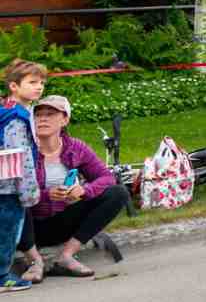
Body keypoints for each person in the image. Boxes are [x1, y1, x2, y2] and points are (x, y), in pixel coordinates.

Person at [15, 93, 130, 281]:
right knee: (13, 199)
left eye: (50, 114)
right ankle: (35, 261)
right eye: (38, 114)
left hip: (62, 222)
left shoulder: (76, 147)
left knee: (118, 193)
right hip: (24, 227)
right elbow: (10, 189)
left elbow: (106, 177)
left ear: (65, 119)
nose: (42, 118)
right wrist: (44, 196)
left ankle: (67, 256)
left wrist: (84, 191)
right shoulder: (22, 148)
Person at [0, 65, 38, 292]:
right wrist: (28, 190)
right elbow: (20, 155)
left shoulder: (6, 108)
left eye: (41, 82)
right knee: (6, 232)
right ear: (14, 86)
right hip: (9, 185)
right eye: (32, 83)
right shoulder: (17, 117)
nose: (39, 87)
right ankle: (2, 276)